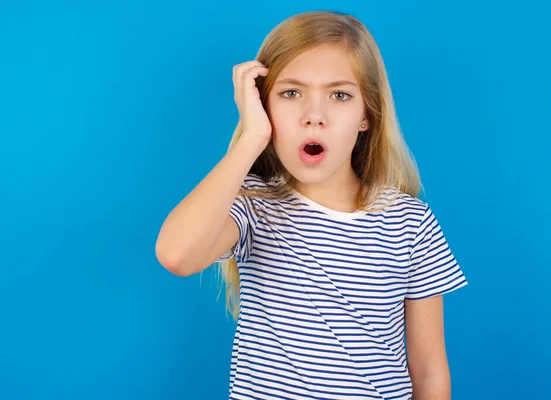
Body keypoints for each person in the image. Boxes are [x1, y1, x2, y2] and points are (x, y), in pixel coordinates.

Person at [155, 10, 468, 400]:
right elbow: (176, 255)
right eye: (290, 93)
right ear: (264, 107)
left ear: (366, 116)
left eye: (339, 95)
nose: (313, 117)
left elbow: (429, 370)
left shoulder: (410, 222)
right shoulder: (252, 206)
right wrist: (252, 138)